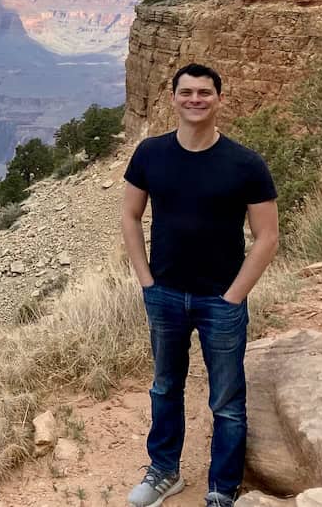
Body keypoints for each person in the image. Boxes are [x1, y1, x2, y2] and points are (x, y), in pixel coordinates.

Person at [121, 63, 279, 507]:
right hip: (165, 293)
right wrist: (146, 281)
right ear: (172, 98)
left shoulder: (245, 163)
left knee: (227, 400)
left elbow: (267, 236)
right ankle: (164, 472)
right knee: (165, 386)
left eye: (204, 93)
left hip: (220, 299)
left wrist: (235, 296)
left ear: (219, 99)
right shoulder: (150, 153)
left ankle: (222, 491)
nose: (195, 99)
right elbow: (130, 216)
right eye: (186, 92)